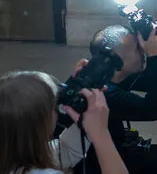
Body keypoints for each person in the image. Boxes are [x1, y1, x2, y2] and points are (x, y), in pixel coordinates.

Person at [68, 24, 157, 174]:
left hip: (106, 147)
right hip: (97, 163)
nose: (143, 49)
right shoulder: (103, 93)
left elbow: (151, 82)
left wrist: (156, 48)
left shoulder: (102, 74)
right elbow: (156, 109)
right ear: (118, 61)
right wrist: (155, 57)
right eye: (137, 48)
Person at [0, 64, 128, 174]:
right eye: (55, 106)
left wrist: (85, 118)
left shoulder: (13, 152)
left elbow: (65, 151)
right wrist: (101, 135)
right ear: (41, 124)